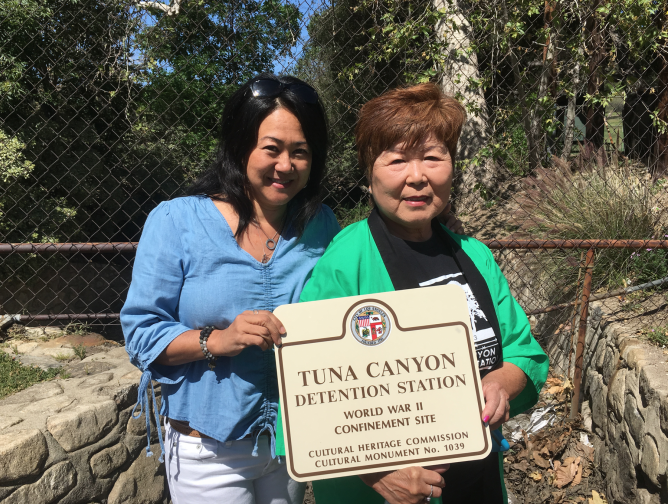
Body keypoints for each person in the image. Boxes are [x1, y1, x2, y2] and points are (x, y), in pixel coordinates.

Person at [274, 83, 549, 504]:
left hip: (478, 481)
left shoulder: (474, 256)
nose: (417, 176)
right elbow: (304, 396)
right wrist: (379, 475)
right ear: (370, 172)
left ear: (452, 167)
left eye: (433, 158)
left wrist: (500, 384)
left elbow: (522, 351)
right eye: (398, 159)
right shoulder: (346, 262)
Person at [120, 74, 339, 504]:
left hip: (289, 442)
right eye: (271, 148)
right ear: (240, 147)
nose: (286, 166)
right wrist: (218, 340)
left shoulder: (321, 224)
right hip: (208, 451)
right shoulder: (176, 221)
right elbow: (142, 333)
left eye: (301, 153)